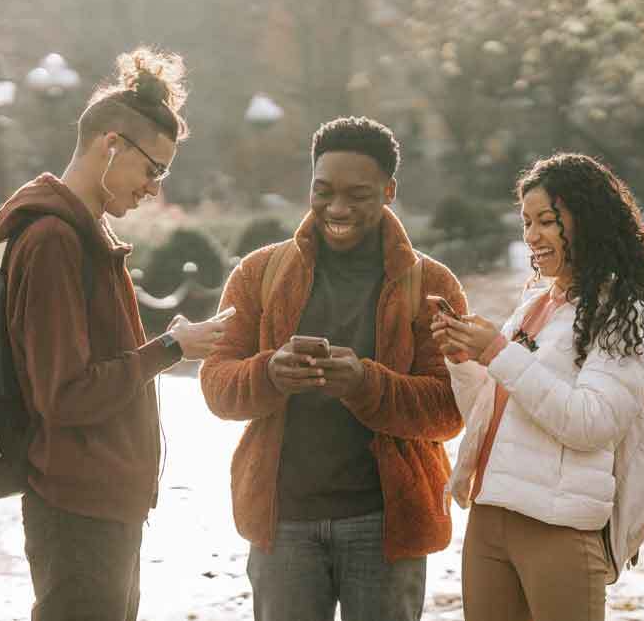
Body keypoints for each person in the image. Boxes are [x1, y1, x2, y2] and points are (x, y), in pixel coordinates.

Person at [0, 47, 230, 621]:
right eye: (154, 169)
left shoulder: (82, 232)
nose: (155, 188)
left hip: (103, 500)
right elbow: (66, 393)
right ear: (112, 144)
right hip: (77, 502)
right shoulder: (54, 239)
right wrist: (172, 348)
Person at [199, 116, 466, 621]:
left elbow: (450, 409)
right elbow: (216, 385)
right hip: (283, 523)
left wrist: (367, 384)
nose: (337, 208)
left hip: (386, 526)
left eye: (358, 195)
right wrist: (269, 374)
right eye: (323, 191)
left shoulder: (431, 284)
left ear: (389, 191)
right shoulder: (260, 272)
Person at [432, 153, 644, 621]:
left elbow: (589, 424)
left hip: (557, 527)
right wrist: (463, 359)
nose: (532, 236)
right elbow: (492, 411)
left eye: (547, 221)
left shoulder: (622, 315)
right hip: (491, 513)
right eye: (526, 222)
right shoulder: (537, 305)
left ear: (587, 222)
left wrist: (497, 351)